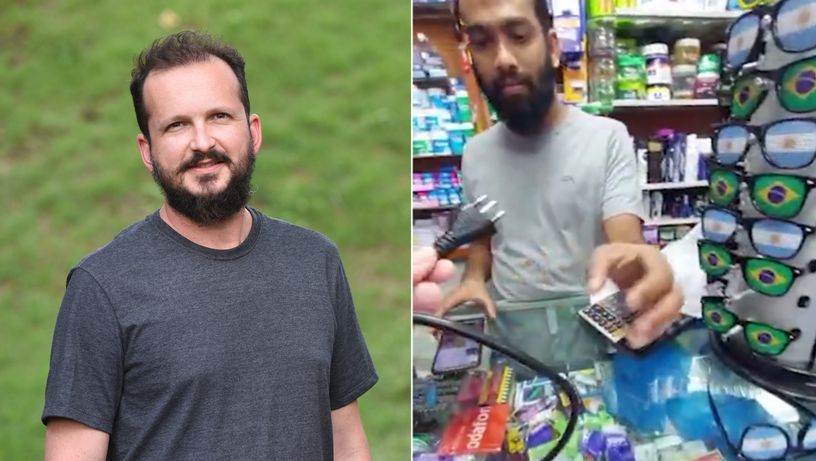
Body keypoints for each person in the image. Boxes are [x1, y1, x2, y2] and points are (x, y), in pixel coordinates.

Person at [42, 31, 377, 460]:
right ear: (148, 150)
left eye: (219, 117)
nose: (202, 142)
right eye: (177, 125)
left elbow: (347, 441)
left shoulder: (315, 262)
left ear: (252, 131)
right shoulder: (102, 287)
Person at [441, 0, 683, 350]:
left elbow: (625, 245)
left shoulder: (607, 137)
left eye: (520, 36)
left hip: (594, 335)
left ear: (553, 47)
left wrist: (644, 270)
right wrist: (474, 277)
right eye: (481, 42)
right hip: (513, 340)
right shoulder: (475, 153)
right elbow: (484, 234)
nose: (503, 58)